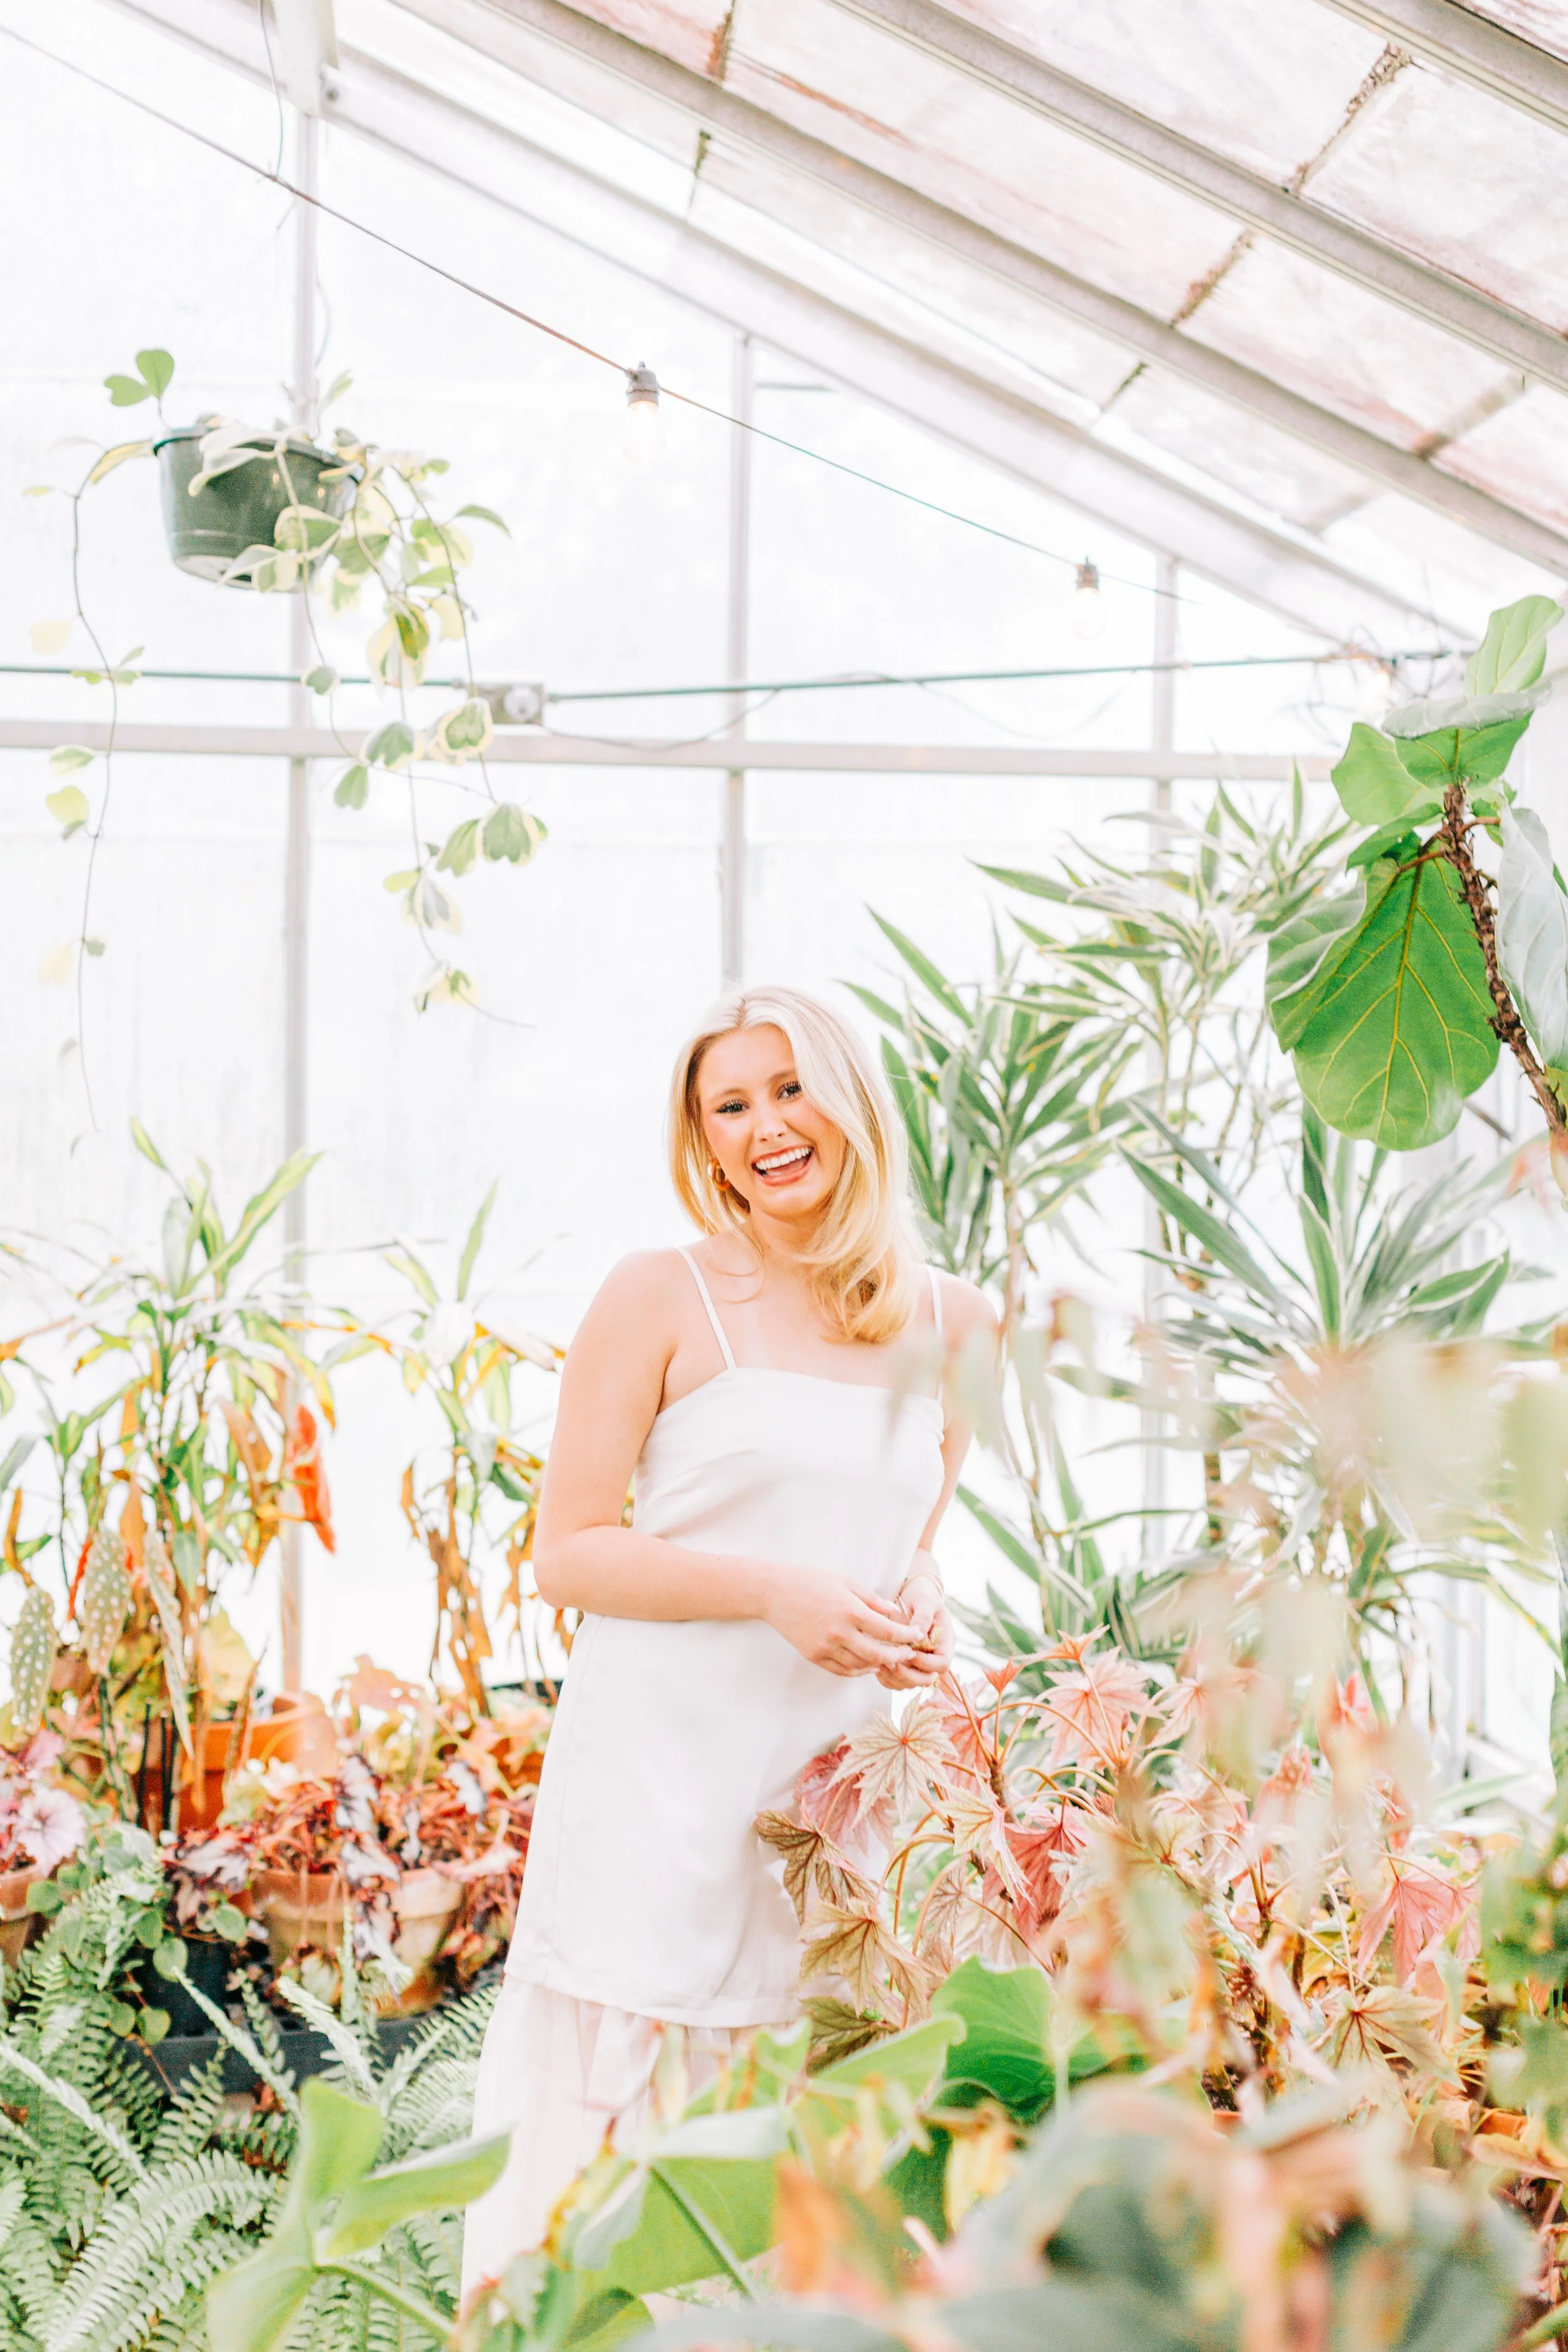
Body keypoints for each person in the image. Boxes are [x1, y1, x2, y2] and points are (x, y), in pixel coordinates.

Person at [461, 985, 994, 2292]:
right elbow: (569, 1549)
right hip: (653, 1779)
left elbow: (906, 1535)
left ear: (847, 1101)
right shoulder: (660, 1294)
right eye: (730, 1105)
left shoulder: (956, 1324)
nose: (766, 1126)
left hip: (823, 1801)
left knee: (797, 2143)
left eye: (789, 1088)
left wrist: (913, 1595)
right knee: (616, 2142)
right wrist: (770, 1591)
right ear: (702, 1141)